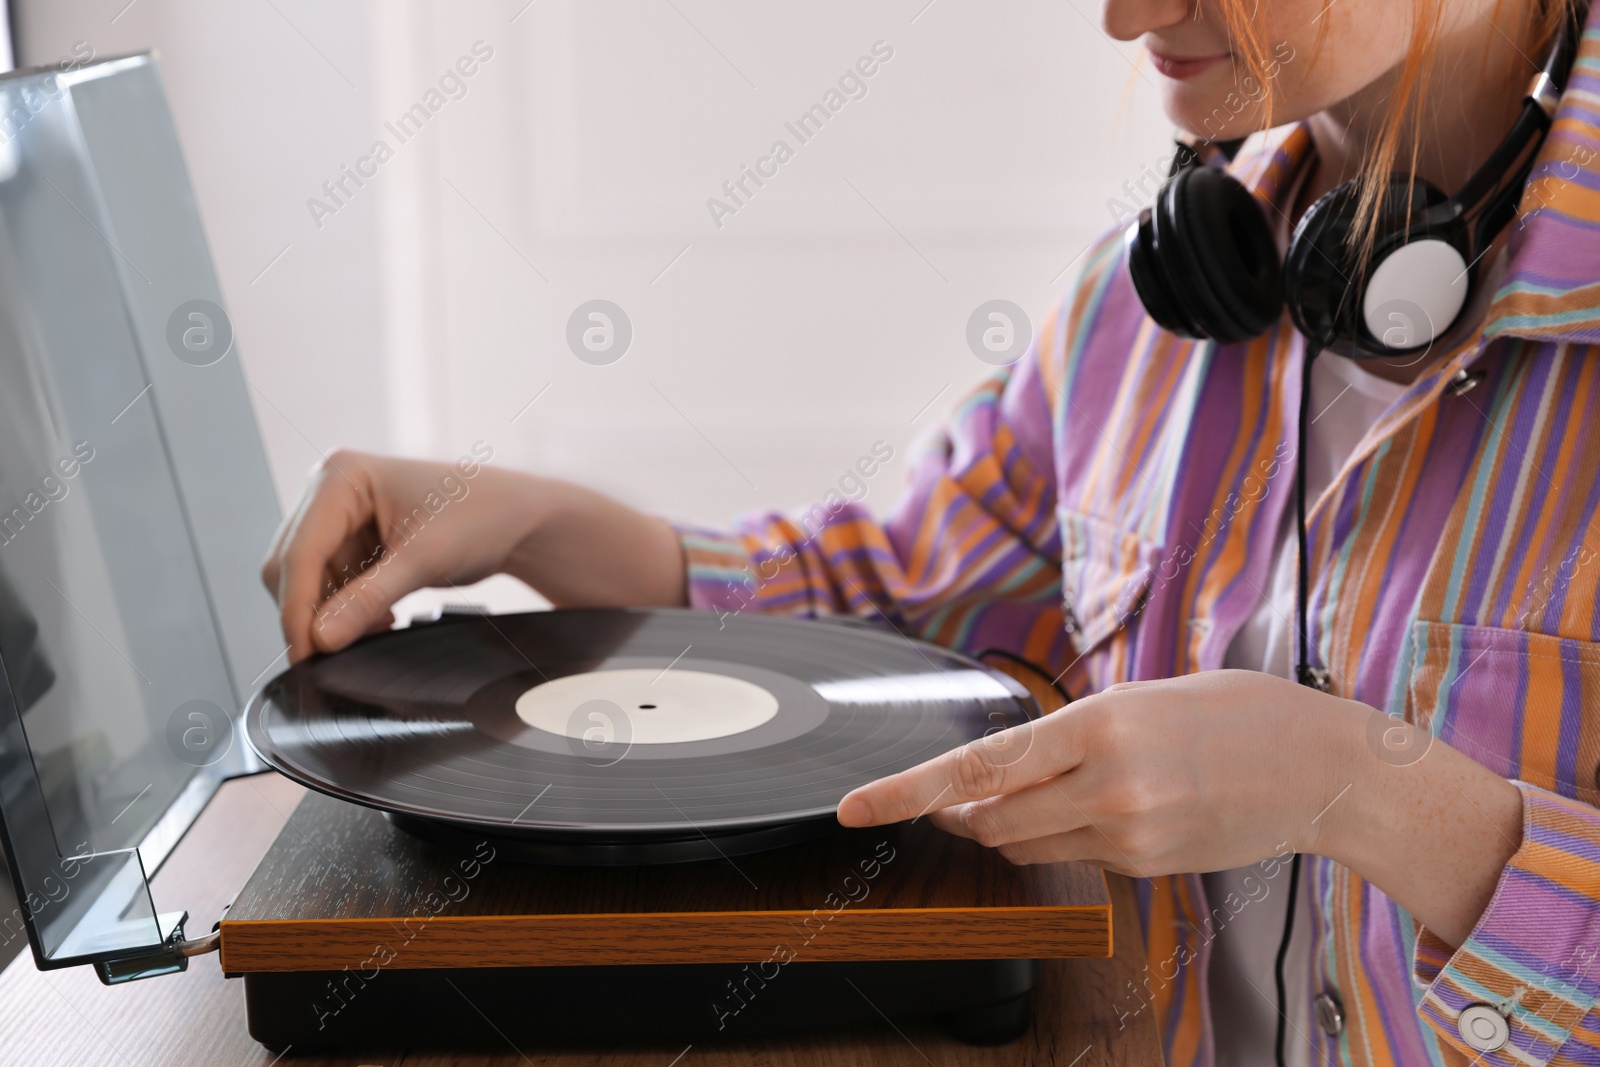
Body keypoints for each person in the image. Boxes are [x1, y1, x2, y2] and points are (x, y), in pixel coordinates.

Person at [261, 1, 1600, 1063]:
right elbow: (880, 627)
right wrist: (548, 521)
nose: (1126, 18)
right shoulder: (1145, 311)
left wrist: (1366, 792)